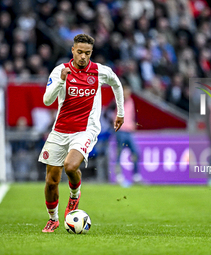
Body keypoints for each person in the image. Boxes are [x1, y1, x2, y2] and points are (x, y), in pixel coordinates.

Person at [38, 34, 124, 232]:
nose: (83, 56)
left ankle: (74, 196)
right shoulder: (60, 71)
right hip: (60, 130)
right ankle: (53, 219)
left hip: (85, 130)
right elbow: (47, 100)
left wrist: (121, 113)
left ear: (91, 53)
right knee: (51, 181)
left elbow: (117, 84)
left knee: (70, 166)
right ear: (73, 51)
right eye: (80, 52)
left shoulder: (100, 71)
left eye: (87, 53)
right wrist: (61, 81)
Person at [114, 85, 141, 186]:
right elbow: (107, 112)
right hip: (120, 131)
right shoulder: (117, 101)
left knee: (136, 152)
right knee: (119, 153)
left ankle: (136, 176)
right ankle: (119, 176)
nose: (127, 93)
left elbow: (132, 115)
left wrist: (134, 123)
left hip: (129, 131)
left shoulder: (131, 101)